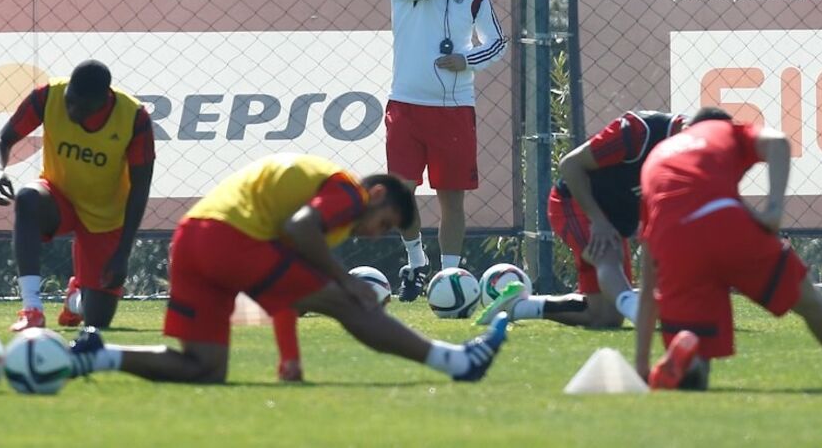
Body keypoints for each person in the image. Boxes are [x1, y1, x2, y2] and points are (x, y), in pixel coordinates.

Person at [67, 153, 509, 384]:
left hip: (191, 242)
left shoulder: (324, 220)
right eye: (386, 224)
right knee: (350, 302)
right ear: (374, 196)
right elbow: (301, 229)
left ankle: (97, 355)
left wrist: (290, 359)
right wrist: (343, 279)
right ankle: (456, 360)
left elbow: (282, 297)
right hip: (226, 239)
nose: (377, 235)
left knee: (203, 367)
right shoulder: (348, 195)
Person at [635, 107, 822, 389]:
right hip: (725, 221)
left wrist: (640, 363)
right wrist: (774, 209)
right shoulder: (727, 130)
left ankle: (689, 359)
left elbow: (648, 283)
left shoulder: (657, 156)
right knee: (812, 304)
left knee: (695, 339)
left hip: (674, 241)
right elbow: (778, 142)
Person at [387, 0, 507, 301]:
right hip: (405, 104)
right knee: (400, 194)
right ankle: (416, 261)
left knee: (451, 198)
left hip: (454, 109)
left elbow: (496, 43)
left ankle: (449, 279)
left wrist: (467, 60)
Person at [477, 111, 686, 328]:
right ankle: (637, 311)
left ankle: (519, 307)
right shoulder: (640, 131)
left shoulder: (698, 163)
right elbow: (570, 165)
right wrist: (598, 221)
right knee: (607, 253)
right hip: (575, 202)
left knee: (606, 317)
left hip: (612, 220)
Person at [0, 60, 155, 332]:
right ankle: (32, 309)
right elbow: (2, 140)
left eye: (82, 106)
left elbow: (140, 188)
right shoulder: (48, 96)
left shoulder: (135, 118)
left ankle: (76, 299)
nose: (71, 110)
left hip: (105, 217)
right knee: (28, 197)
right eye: (70, 101)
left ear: (103, 100)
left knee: (97, 322)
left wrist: (123, 253)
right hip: (57, 198)